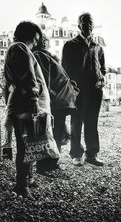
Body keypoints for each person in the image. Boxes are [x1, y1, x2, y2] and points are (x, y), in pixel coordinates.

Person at [4, 21, 50, 199]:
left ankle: (27, 180)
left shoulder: (15, 48)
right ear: (32, 35)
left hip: (20, 103)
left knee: (28, 145)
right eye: (37, 37)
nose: (37, 42)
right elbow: (29, 79)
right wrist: (34, 104)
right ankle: (21, 185)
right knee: (26, 146)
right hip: (25, 105)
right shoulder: (21, 48)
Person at [62, 12, 106, 167]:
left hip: (95, 92)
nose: (87, 25)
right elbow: (64, 70)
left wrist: (102, 80)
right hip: (78, 92)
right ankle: (76, 154)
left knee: (92, 123)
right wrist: (71, 88)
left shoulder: (98, 47)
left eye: (90, 23)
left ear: (93, 26)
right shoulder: (70, 45)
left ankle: (92, 155)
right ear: (79, 25)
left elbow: (103, 68)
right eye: (84, 22)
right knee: (76, 123)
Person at [32, 34, 77, 173]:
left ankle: (51, 162)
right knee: (52, 133)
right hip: (56, 102)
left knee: (56, 132)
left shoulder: (46, 55)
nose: (45, 42)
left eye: (46, 40)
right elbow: (44, 78)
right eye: (43, 40)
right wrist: (51, 94)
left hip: (59, 101)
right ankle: (47, 165)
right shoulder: (39, 54)